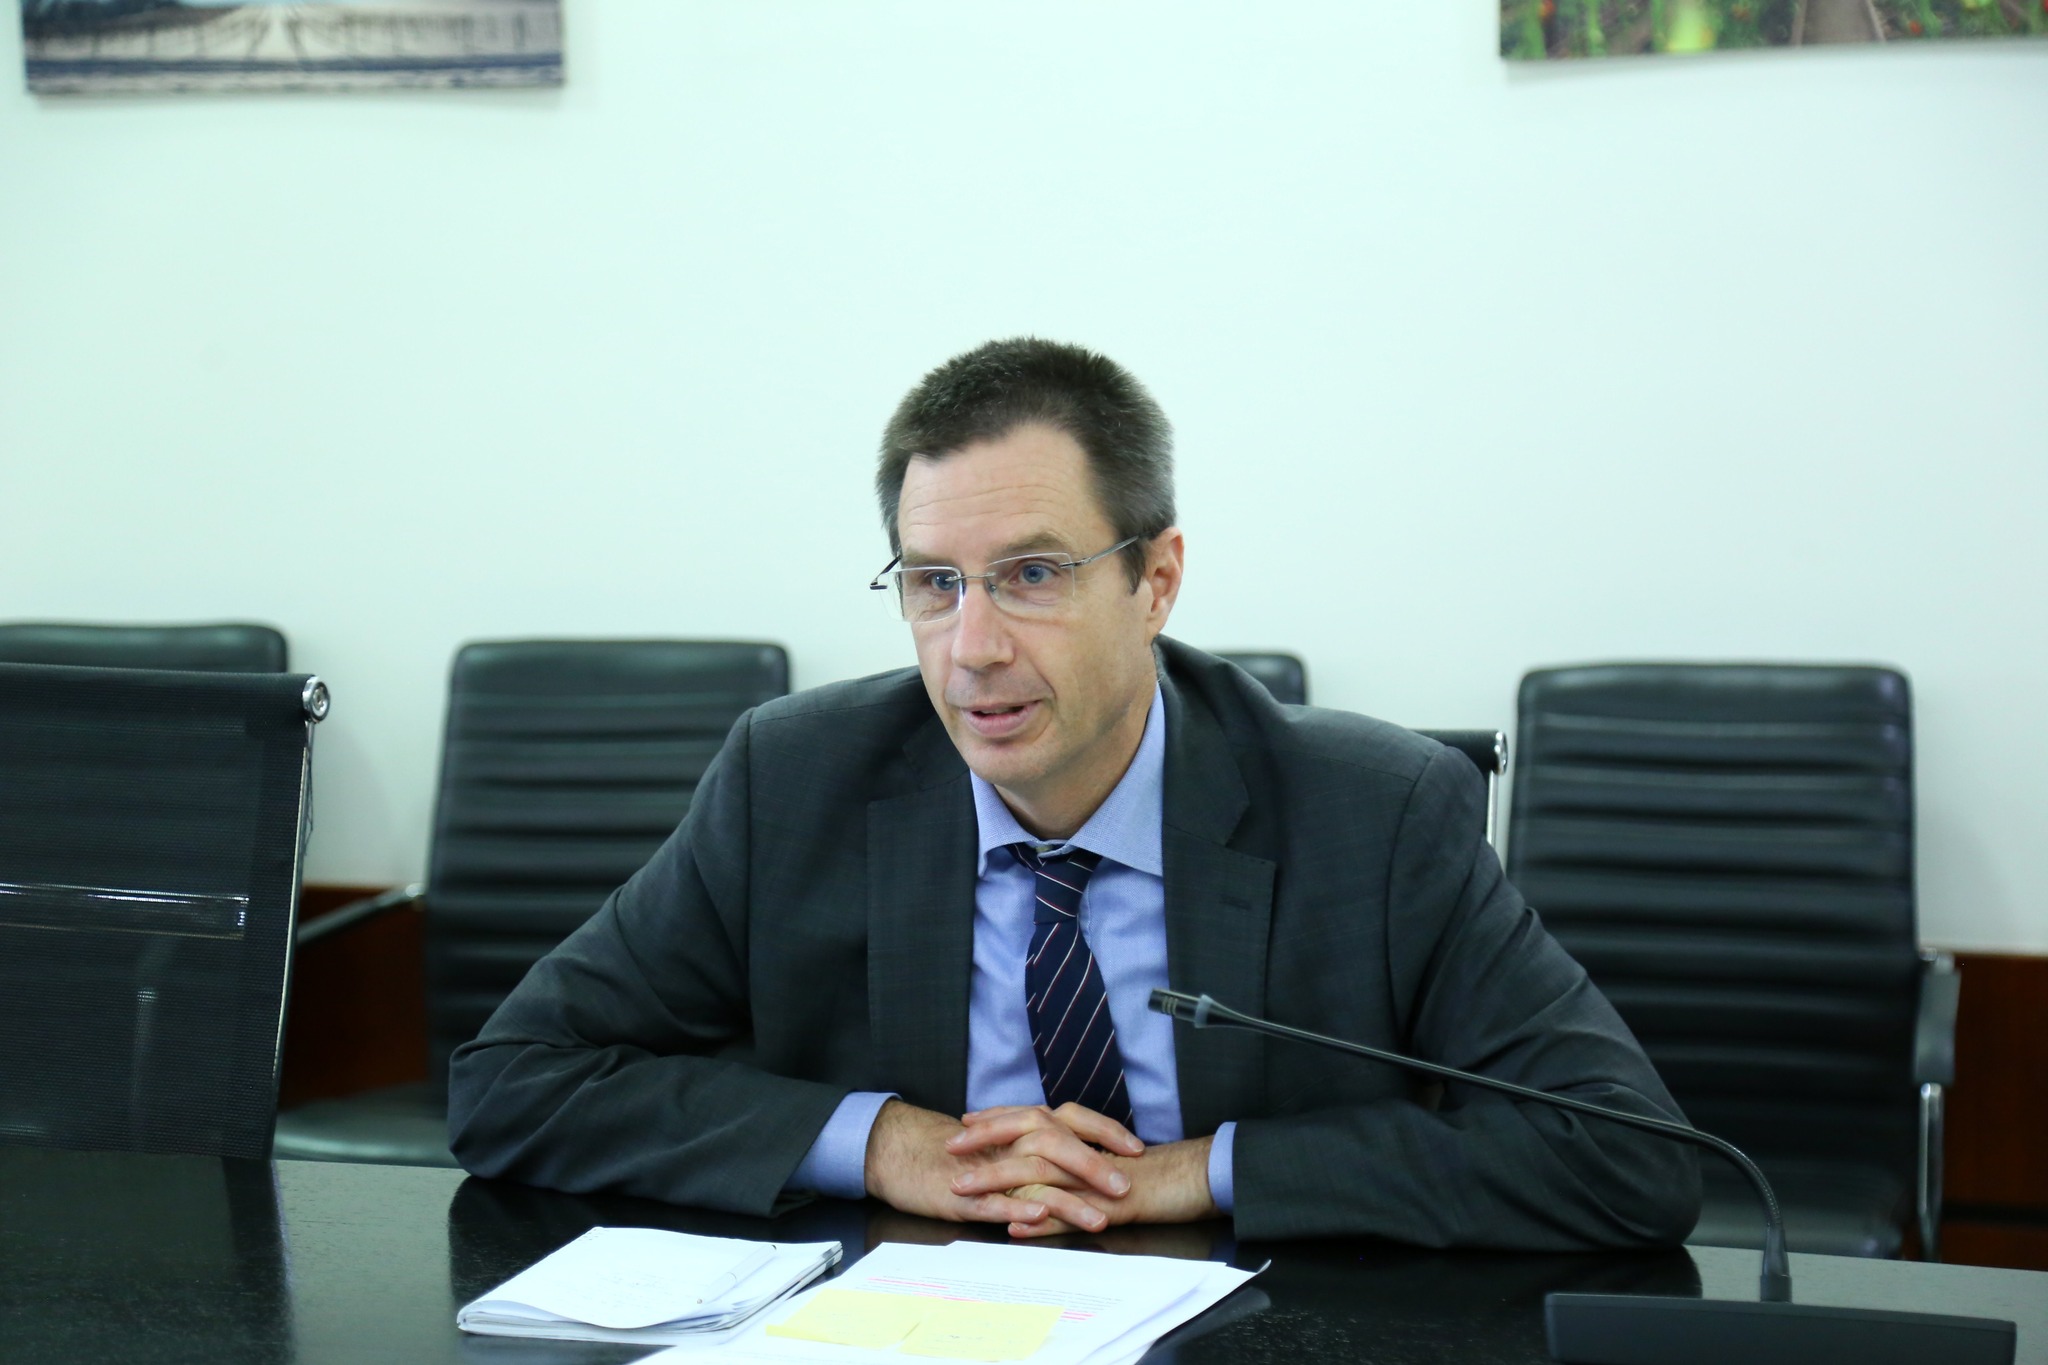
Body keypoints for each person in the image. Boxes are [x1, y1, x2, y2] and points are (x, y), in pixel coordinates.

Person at [448, 338, 1701, 1246]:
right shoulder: (794, 778)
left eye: (1031, 575)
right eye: (932, 583)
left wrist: (1193, 1172)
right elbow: (512, 1080)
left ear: (1155, 581)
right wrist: (881, 1143)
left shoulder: (1374, 811)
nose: (971, 648)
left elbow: (1627, 1157)